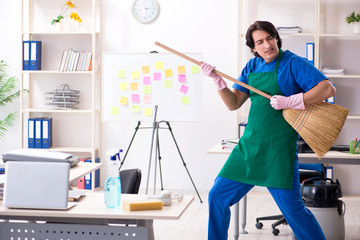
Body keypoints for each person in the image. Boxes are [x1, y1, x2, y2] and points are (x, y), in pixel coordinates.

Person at [201, 20, 335, 240]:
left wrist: (293, 100)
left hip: (278, 152)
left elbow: (327, 88)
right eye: (260, 42)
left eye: (270, 38)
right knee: (217, 196)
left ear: (277, 39)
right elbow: (234, 103)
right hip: (249, 148)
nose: (267, 45)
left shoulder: (293, 63)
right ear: (253, 48)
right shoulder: (252, 67)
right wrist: (218, 82)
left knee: (293, 211)